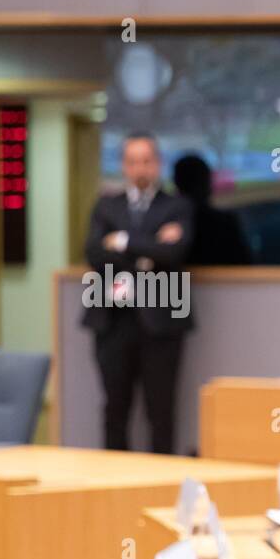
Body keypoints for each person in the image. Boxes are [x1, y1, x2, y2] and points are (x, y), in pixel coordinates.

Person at [82, 131, 193, 453]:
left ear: (157, 164)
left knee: (161, 412)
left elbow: (174, 254)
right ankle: (114, 486)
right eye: (133, 162)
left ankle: (161, 489)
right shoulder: (106, 206)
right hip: (112, 321)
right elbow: (95, 254)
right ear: (123, 166)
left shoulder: (177, 206)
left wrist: (124, 241)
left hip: (162, 320)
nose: (140, 169)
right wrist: (151, 249)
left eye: (146, 161)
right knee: (114, 410)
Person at [172, 154, 252, 265]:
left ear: (176, 185)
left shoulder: (168, 223)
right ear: (207, 184)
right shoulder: (224, 223)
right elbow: (245, 265)